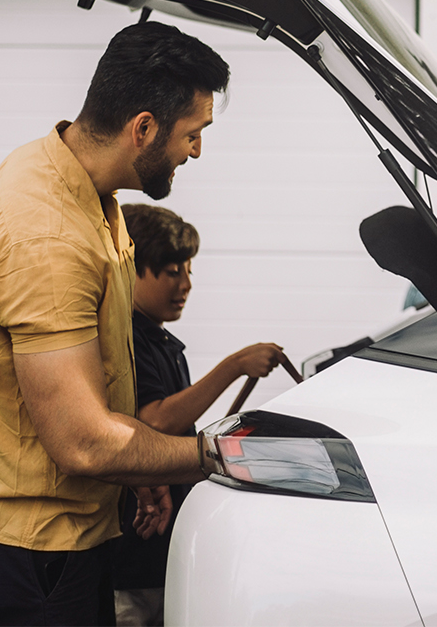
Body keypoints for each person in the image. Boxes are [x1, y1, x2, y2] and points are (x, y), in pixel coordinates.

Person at [0, 21, 232, 627]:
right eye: (193, 133)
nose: (197, 151)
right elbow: (82, 442)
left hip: (69, 531)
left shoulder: (88, 192)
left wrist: (135, 470)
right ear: (142, 127)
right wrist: (216, 457)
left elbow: (98, 399)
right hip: (34, 549)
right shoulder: (45, 236)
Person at [112, 203, 286, 626]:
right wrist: (234, 365)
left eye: (188, 270)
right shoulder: (128, 340)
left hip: (160, 559)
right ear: (131, 269)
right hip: (130, 563)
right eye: (172, 271)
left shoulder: (162, 342)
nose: (186, 284)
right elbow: (155, 423)